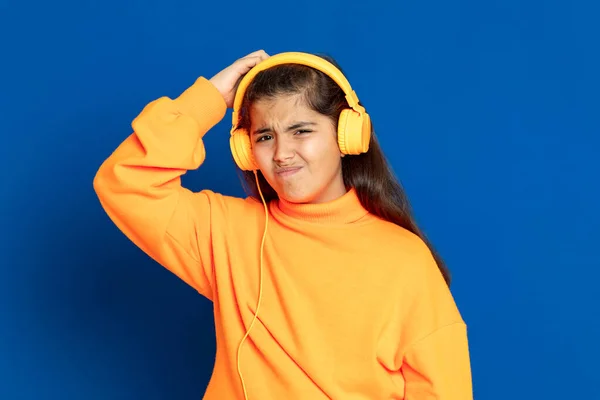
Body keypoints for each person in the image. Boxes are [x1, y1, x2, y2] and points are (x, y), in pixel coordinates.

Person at [93, 49, 473, 399]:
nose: (281, 154)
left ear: (347, 135)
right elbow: (125, 182)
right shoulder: (225, 232)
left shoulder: (406, 260)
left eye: (301, 130)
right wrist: (209, 98)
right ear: (247, 150)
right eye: (264, 136)